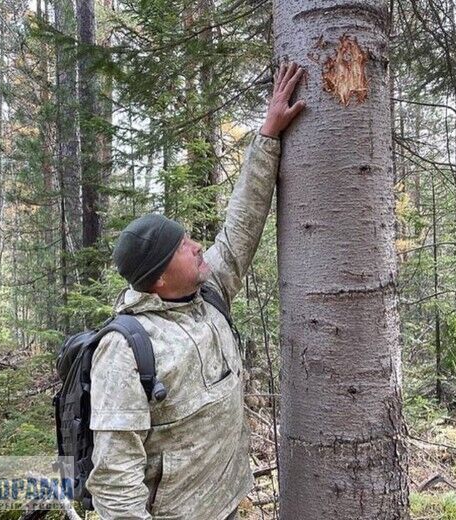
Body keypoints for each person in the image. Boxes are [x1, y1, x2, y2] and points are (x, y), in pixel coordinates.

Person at [87, 62, 306, 520]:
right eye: (184, 247)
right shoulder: (124, 349)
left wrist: (267, 135)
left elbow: (241, 225)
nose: (199, 246)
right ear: (160, 277)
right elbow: (114, 474)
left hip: (228, 502)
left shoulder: (208, 294)